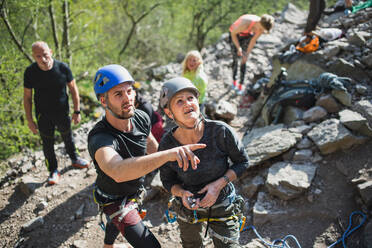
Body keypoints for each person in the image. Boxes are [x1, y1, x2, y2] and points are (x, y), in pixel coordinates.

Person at [88, 65, 206, 248]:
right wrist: (169, 155)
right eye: (118, 94)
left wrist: (180, 177)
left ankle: (107, 245)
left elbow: (153, 148)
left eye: (129, 91)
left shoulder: (140, 118)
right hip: (113, 198)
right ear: (104, 101)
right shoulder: (101, 138)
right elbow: (117, 171)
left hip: (134, 190)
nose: (128, 98)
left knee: (114, 223)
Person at [158, 77, 250, 248]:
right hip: (187, 207)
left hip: (222, 202)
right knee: (191, 245)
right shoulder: (167, 145)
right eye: (179, 101)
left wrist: (217, 186)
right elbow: (168, 181)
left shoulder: (220, 131)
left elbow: (242, 162)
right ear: (169, 113)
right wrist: (181, 193)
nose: (187, 103)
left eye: (190, 98)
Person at [23, 41, 89, 185]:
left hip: (62, 112)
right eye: (38, 56)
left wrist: (77, 111)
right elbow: (27, 98)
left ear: (51, 52)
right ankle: (53, 170)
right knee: (47, 144)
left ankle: (75, 158)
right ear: (34, 57)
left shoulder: (63, 67)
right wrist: (29, 120)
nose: (43, 59)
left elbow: (73, 89)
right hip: (43, 115)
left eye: (45, 55)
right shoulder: (30, 72)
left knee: (68, 136)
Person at [229, 14, 275, 95]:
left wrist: (246, 54)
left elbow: (252, 41)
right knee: (235, 59)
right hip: (235, 34)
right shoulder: (246, 23)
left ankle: (240, 85)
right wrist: (238, 48)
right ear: (259, 22)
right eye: (260, 28)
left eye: (262, 30)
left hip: (247, 35)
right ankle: (234, 81)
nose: (260, 30)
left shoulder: (260, 29)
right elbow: (233, 34)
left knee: (244, 61)